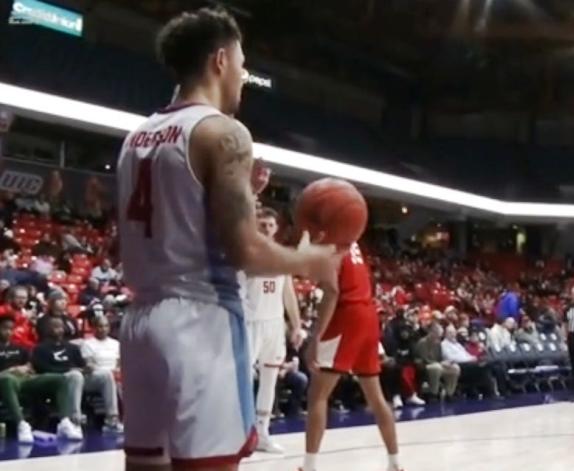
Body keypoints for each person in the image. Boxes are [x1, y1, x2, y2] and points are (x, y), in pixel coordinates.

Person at [116, 7, 339, 470]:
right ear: (220, 60)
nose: (243, 75)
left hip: (140, 322)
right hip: (202, 321)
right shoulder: (225, 133)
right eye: (242, 62)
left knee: (145, 465)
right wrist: (310, 260)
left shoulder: (137, 136)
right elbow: (246, 252)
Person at [302, 243, 403, 471]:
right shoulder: (352, 241)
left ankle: (309, 466)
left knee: (317, 395)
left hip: (346, 315)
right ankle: (395, 463)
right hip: (368, 315)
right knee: (375, 396)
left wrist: (316, 337)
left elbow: (332, 292)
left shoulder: (331, 244)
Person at [242, 207, 305, 454]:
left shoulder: (281, 256)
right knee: (244, 380)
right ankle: (240, 432)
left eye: (270, 225)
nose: (266, 229)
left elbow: (287, 292)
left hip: (275, 323)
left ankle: (263, 433)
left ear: (276, 228)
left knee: (270, 380)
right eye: (262, 224)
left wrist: (297, 325)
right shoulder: (246, 251)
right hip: (250, 321)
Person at [0, 315, 72, 444]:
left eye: (11, 329)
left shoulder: (20, 348)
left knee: (60, 379)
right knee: (7, 379)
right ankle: (22, 425)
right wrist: (9, 371)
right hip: (6, 380)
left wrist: (25, 367)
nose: (8, 332)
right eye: (5, 328)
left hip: (25, 379)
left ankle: (65, 422)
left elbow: (30, 366)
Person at [31, 317, 85, 441]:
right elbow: (42, 369)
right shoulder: (41, 348)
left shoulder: (72, 347)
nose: (59, 330)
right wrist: (67, 371)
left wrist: (88, 368)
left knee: (103, 375)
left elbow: (81, 365)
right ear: (48, 329)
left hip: (75, 379)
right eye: (55, 327)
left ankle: (112, 419)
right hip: (51, 380)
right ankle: (74, 420)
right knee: (74, 376)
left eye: (61, 326)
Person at [80, 315, 123, 434]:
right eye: (99, 326)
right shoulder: (88, 344)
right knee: (107, 375)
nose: (103, 329)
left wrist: (118, 371)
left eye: (105, 326)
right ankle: (111, 420)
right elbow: (90, 365)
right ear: (93, 328)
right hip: (96, 376)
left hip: (115, 374)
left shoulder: (116, 343)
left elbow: (120, 364)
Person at [414, 323, 461, 402]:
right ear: (432, 332)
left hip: (437, 364)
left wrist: (446, 362)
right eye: (437, 334)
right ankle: (433, 393)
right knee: (436, 368)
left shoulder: (438, 343)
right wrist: (440, 363)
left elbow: (440, 358)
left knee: (455, 368)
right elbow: (424, 359)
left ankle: (449, 393)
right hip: (425, 366)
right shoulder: (422, 342)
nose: (439, 337)